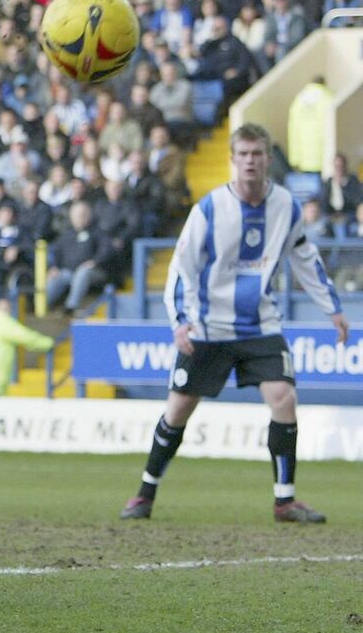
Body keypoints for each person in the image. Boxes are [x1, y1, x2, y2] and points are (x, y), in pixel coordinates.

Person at [120, 124, 349, 524]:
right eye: (243, 154)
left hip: (261, 325)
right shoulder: (210, 208)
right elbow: (181, 267)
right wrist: (181, 321)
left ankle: (285, 501)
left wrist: (332, 307)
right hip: (209, 327)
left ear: (267, 159)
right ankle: (145, 493)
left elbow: (304, 257)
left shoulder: (286, 206)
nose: (250, 161)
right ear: (232, 159)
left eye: (257, 154)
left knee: (284, 398)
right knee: (178, 410)